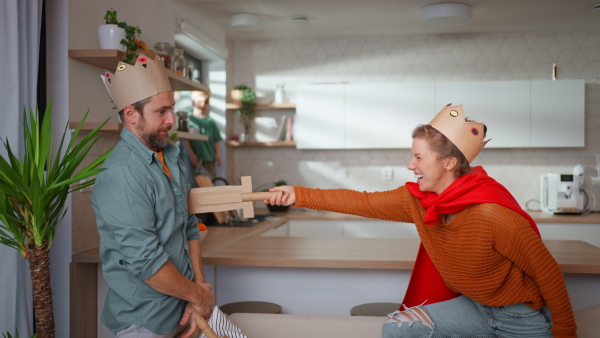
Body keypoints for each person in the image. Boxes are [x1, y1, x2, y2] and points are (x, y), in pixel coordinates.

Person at [266, 104, 577, 337]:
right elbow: (361, 201)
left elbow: (548, 273)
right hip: (475, 308)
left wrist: (565, 332)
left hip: (520, 317)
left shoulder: (492, 214)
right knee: (397, 329)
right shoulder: (419, 201)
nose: (410, 164)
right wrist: (298, 194)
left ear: (449, 163)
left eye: (418, 157)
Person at [93, 54, 214, 338]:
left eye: (171, 109)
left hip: (183, 311)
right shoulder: (122, 173)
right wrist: (198, 296)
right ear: (131, 114)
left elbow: (189, 227)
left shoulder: (169, 157)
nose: (171, 119)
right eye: (161, 111)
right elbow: (147, 263)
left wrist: (199, 294)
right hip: (145, 322)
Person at [183, 90, 222, 180]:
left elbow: (216, 140)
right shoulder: (190, 120)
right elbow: (186, 140)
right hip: (194, 160)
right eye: (200, 102)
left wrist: (218, 155)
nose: (203, 104)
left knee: (210, 182)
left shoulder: (211, 122)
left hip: (209, 158)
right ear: (193, 102)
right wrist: (192, 154)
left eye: (206, 102)